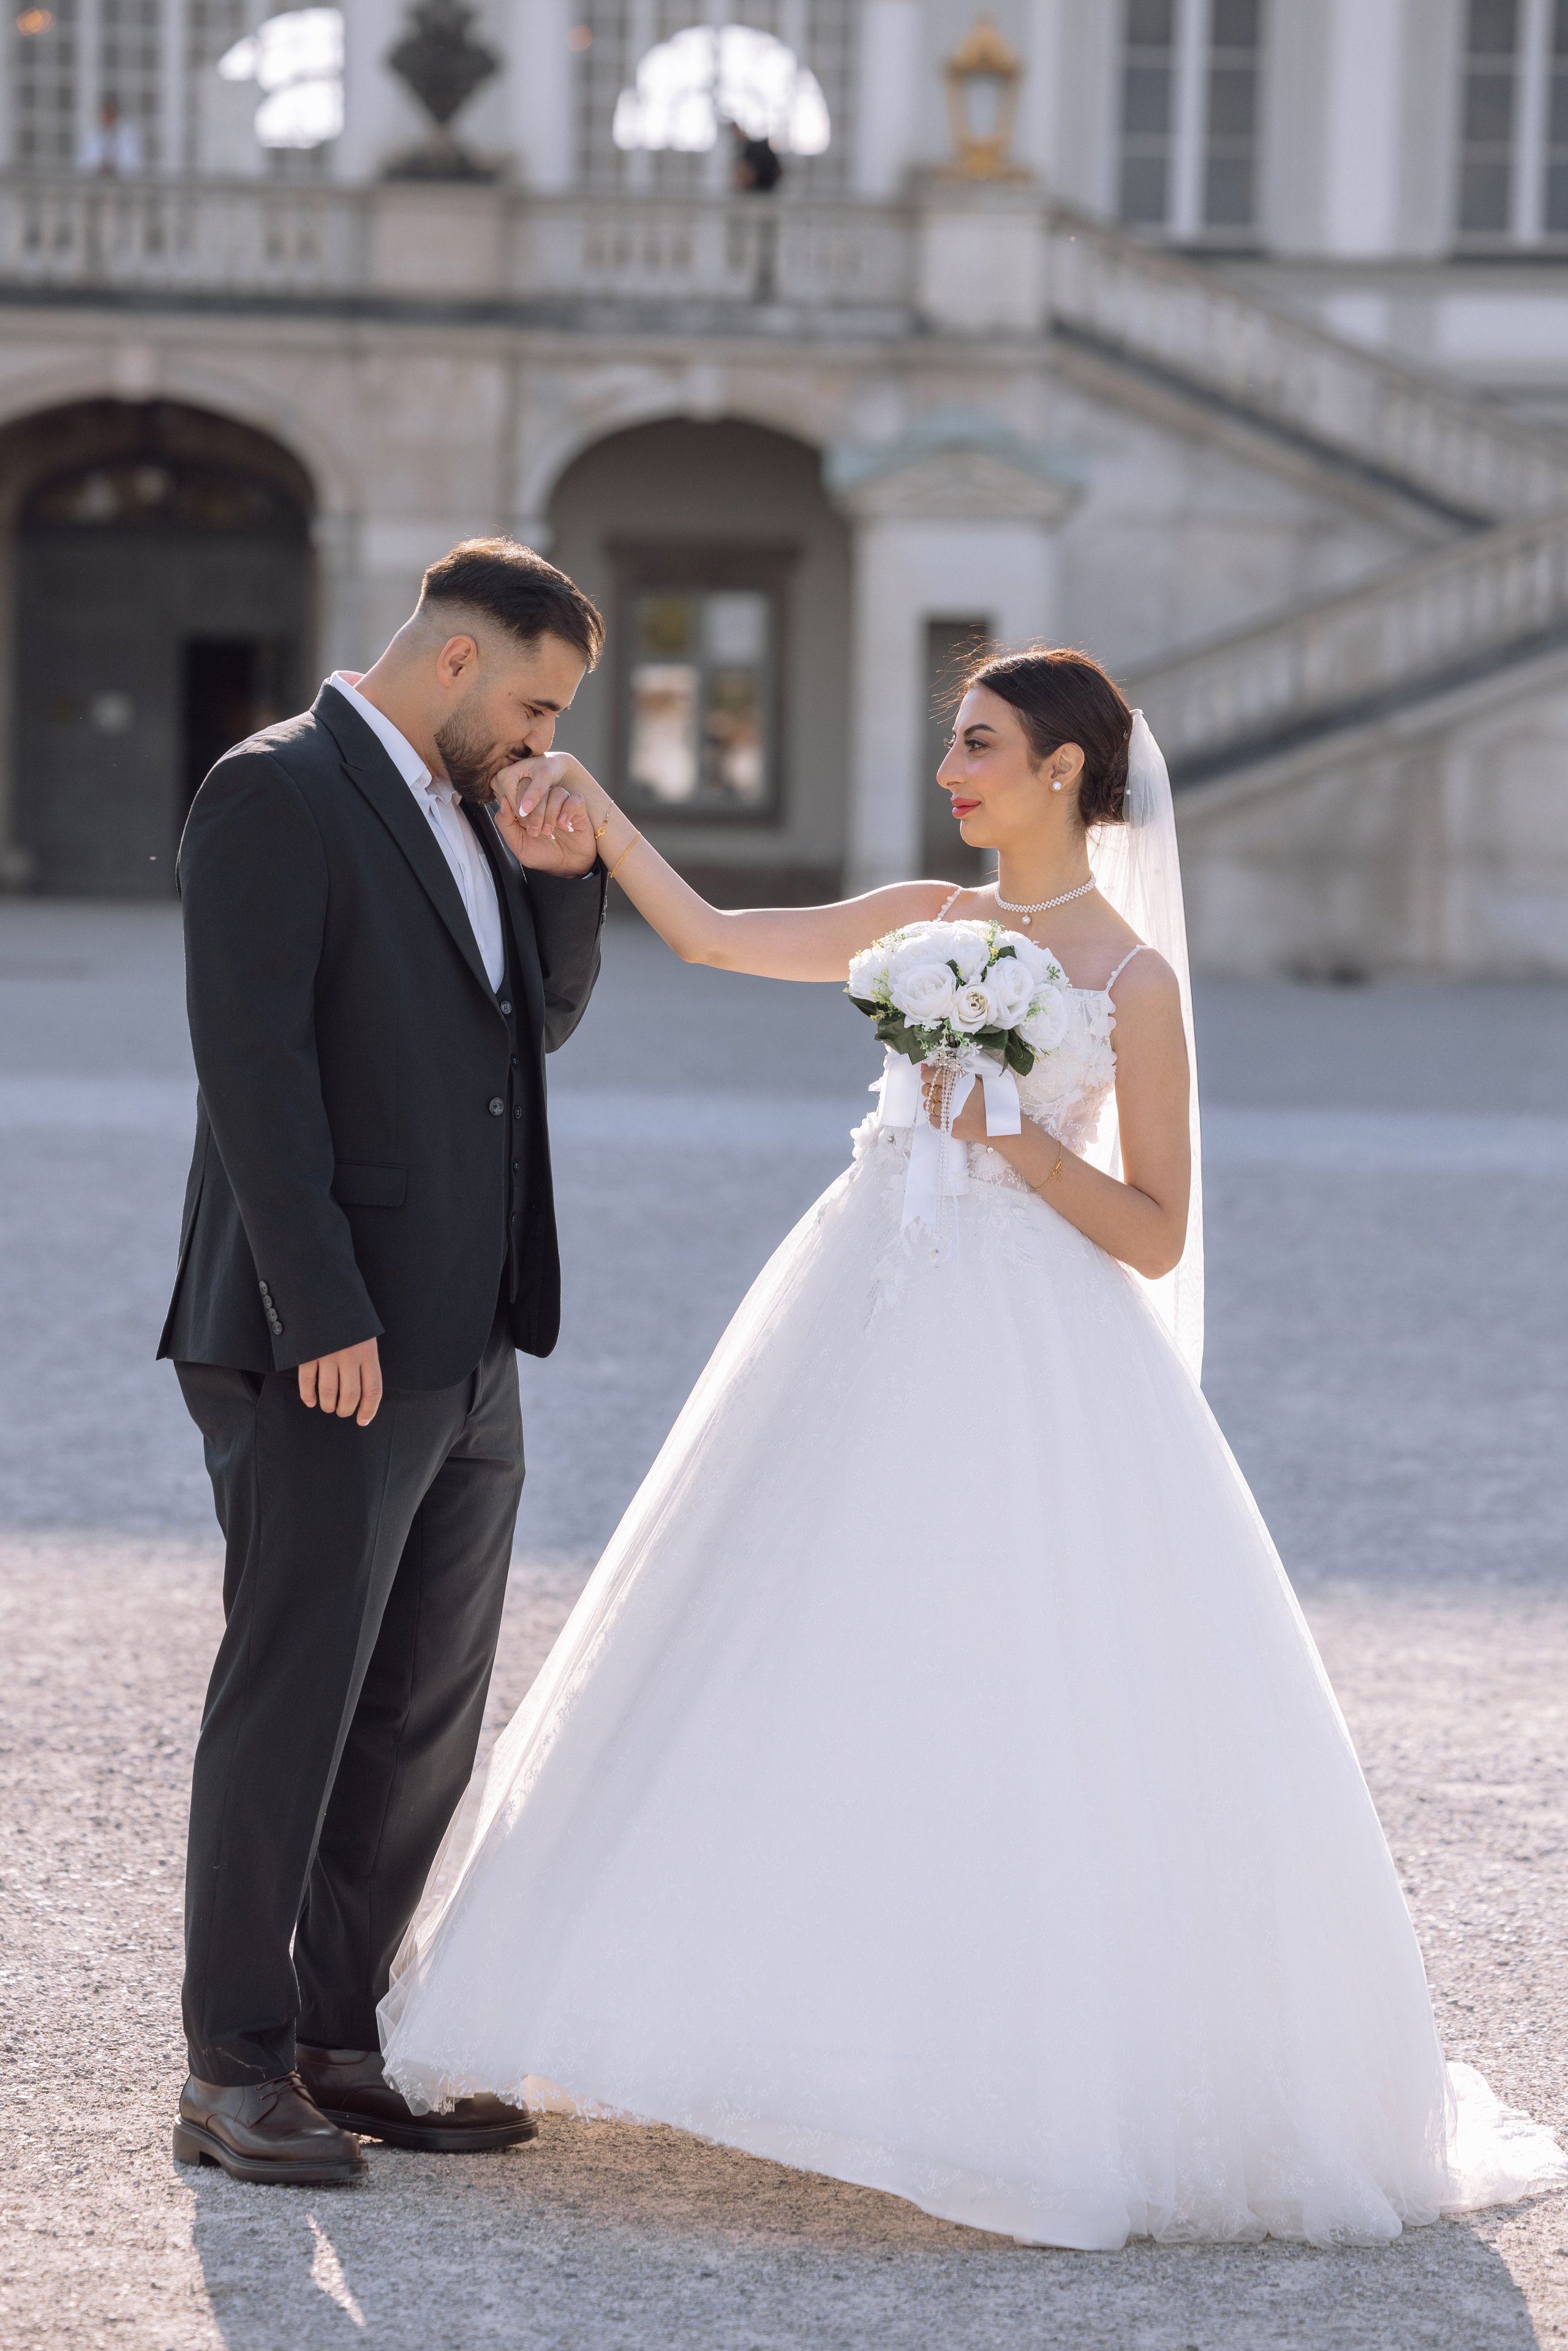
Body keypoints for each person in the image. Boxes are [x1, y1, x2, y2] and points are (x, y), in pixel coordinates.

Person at [379, 644, 1567, 2248]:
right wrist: (598, 816)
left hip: (1032, 1337)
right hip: (860, 1303)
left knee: (1010, 1663)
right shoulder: (932, 918)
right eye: (954, 740)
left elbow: (1155, 1232)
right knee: (787, 1634)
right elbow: (724, 941)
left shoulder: (1136, 986)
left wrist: (1007, 1133)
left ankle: (997, 2078)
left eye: (980, 743)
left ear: (1066, 770)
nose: (952, 767)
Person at [160, 538, 605, 2186]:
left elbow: (531, 1027)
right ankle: (232, 2069)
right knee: (293, 1696)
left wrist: (558, 872)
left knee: (420, 1706)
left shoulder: (479, 807)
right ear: (455, 661)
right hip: (327, 1336)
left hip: (472, 1330)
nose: (547, 732)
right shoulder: (272, 792)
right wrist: (318, 1309)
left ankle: (343, 2043)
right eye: (538, 699)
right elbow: (252, 1068)